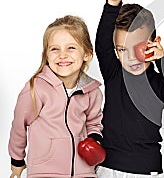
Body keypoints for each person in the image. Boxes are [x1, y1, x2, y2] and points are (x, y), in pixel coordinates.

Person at [95, 0, 164, 178]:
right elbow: (101, 44)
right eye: (122, 49)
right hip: (108, 165)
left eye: (137, 47)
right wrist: (113, 5)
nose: (130, 57)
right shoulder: (114, 74)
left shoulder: (157, 82)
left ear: (154, 43)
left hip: (145, 170)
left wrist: (163, 60)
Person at [8, 15, 104, 178]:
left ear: (87, 54)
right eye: (55, 49)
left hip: (83, 172)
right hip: (44, 171)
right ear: (46, 55)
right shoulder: (36, 88)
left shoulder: (92, 91)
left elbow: (94, 122)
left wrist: (94, 140)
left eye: (71, 48)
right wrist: (17, 160)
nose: (62, 55)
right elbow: (19, 125)